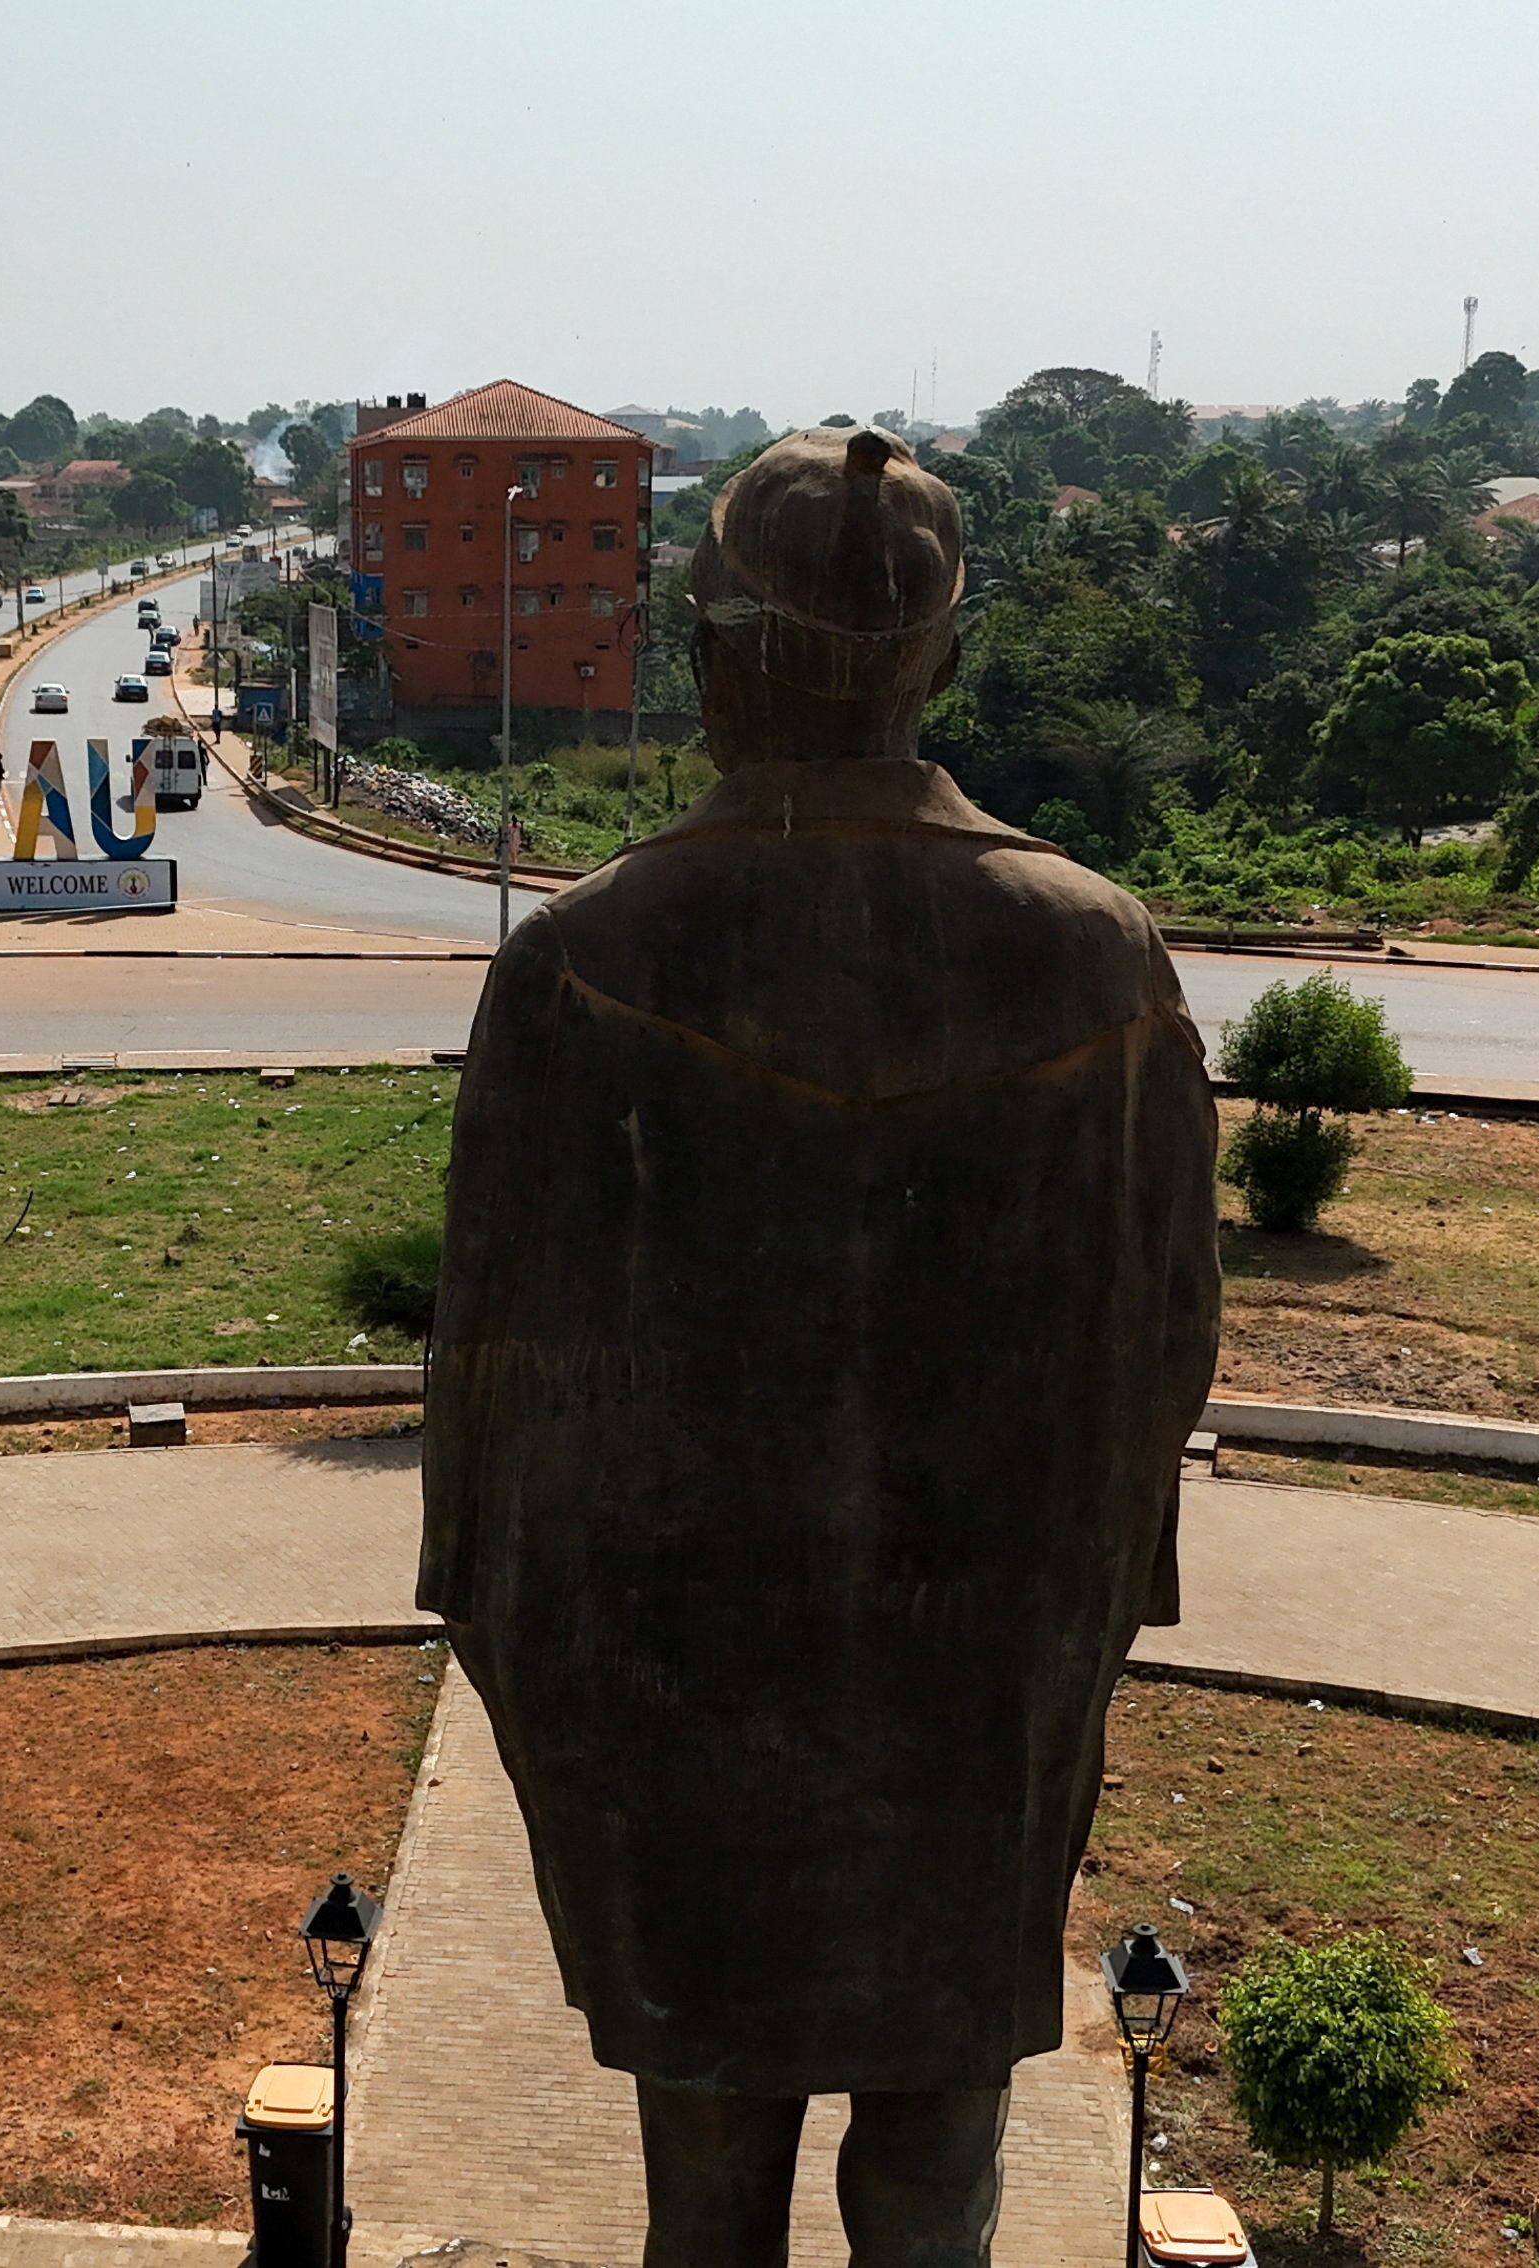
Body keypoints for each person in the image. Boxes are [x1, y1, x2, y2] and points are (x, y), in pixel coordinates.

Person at [423, 426, 1223, 2268]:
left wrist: (514, 1650)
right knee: (939, 2160)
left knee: (702, 2191)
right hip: (980, 1668)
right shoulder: (1096, 954)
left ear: (704, 656)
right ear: (939, 659)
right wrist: (1070, 1626)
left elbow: (492, 1380)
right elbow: (1164, 1350)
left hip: (671, 1671)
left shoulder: (583, 958)